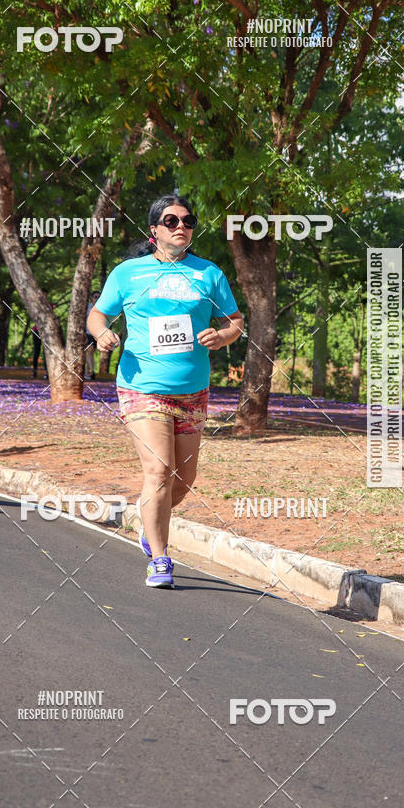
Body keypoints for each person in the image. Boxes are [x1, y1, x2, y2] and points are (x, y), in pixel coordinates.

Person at [88, 193, 244, 588]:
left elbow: (235, 320)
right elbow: (98, 314)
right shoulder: (128, 274)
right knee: (158, 471)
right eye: (171, 221)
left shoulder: (208, 273)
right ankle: (160, 558)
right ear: (154, 229)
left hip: (193, 389)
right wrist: (103, 333)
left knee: (183, 479)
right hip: (143, 386)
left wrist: (223, 336)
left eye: (188, 221)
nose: (181, 227)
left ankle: (148, 523)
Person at [85, 290, 100, 379]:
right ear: (91, 298)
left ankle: (88, 373)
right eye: (95, 297)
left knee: (91, 353)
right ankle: (92, 371)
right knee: (89, 350)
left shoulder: (102, 308)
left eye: (99, 297)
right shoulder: (87, 307)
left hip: (97, 334)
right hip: (87, 332)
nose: (97, 299)